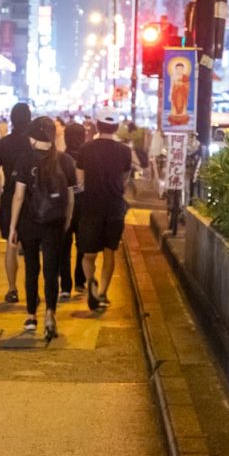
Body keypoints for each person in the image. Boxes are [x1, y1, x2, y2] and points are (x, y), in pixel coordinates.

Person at [7, 117, 76, 341]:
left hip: (29, 222)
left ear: (34, 138)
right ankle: (50, 314)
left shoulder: (26, 160)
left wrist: (12, 226)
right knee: (51, 270)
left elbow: (18, 196)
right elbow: (71, 198)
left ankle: (30, 316)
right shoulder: (65, 160)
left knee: (32, 269)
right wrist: (66, 222)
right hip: (54, 223)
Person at [76, 110, 133, 311]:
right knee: (110, 252)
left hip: (91, 206)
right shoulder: (125, 151)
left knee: (88, 254)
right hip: (114, 207)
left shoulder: (86, 149)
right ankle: (102, 294)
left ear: (97, 126)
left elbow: (80, 179)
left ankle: (91, 280)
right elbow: (125, 178)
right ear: (116, 127)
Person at [0, 102, 33, 303]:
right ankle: (31, 290)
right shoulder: (34, 143)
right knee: (31, 248)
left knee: (11, 245)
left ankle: (12, 289)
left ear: (11, 120)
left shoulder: (2, 145)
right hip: (33, 200)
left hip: (9, 199)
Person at [59, 122, 88, 297]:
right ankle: (80, 280)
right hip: (85, 206)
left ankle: (65, 286)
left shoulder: (61, 158)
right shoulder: (90, 157)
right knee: (83, 244)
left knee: (64, 246)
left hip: (64, 207)